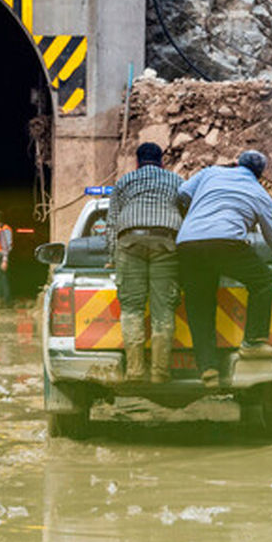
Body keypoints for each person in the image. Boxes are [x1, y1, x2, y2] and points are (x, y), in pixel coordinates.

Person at [175, 150, 272, 389]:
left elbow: (181, 194)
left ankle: (208, 368)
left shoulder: (210, 173)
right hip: (226, 244)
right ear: (260, 175)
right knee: (262, 281)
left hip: (187, 244)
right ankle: (252, 341)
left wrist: (193, 217)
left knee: (200, 303)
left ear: (237, 163)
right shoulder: (260, 194)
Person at [105, 142, 184, 382]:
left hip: (130, 242)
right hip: (166, 242)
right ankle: (160, 372)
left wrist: (111, 257)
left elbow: (111, 224)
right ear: (162, 162)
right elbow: (188, 215)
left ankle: (135, 371)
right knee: (163, 309)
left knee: (131, 308)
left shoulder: (124, 182)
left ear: (137, 162)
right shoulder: (177, 181)